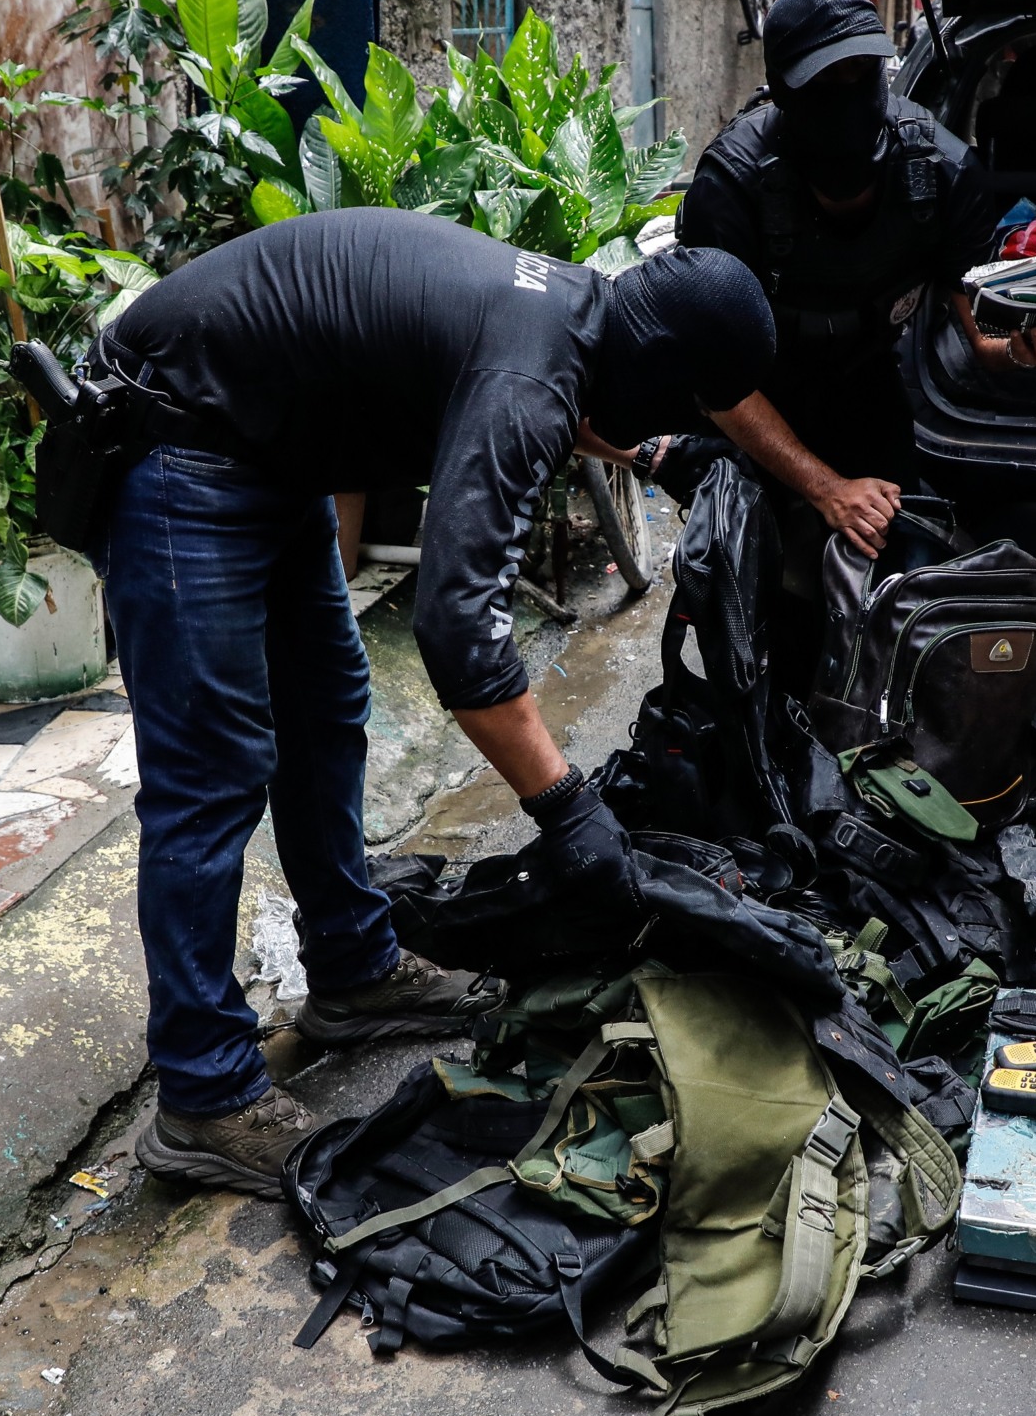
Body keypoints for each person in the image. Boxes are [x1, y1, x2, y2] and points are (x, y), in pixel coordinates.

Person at [86, 209, 775, 1192]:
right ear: (658, 366)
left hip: (263, 445)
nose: (681, 418)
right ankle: (204, 1096)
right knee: (213, 775)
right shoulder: (534, 373)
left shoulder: (575, 314)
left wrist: (658, 457)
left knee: (326, 708)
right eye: (686, 406)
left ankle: (355, 970)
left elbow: (556, 406)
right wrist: (567, 813)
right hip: (177, 445)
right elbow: (459, 633)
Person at [666, 0, 1036, 686]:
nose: (850, 93)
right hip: (753, 411)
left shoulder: (942, 171)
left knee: (889, 614)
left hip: (867, 392)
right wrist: (825, 487)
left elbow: (981, 333)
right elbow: (718, 386)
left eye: (864, 70)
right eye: (827, 79)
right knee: (751, 618)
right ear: (781, 88)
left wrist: (1025, 352)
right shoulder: (732, 188)